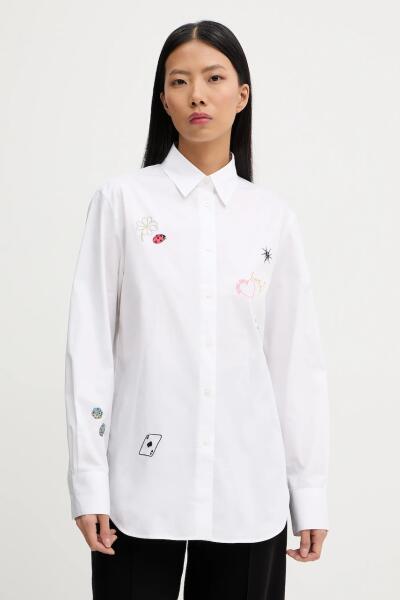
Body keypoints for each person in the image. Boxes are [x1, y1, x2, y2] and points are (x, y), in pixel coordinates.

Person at [64, 19, 330, 600]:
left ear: (242, 94)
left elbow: (294, 365)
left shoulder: (272, 218)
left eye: (214, 78)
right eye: (179, 81)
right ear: (164, 99)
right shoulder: (122, 202)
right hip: (138, 494)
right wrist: (88, 480)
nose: (197, 96)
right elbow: (90, 349)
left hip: (247, 493)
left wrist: (308, 491)